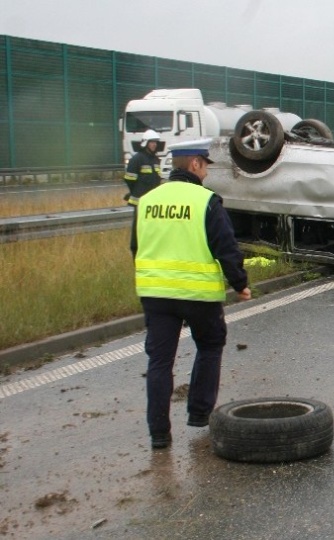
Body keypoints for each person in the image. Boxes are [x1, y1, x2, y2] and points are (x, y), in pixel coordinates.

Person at [131, 138, 251, 449]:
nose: (207, 173)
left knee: (159, 361)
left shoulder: (147, 201)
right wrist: (240, 284)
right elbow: (226, 247)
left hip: (156, 295)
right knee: (210, 347)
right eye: (206, 165)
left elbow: (136, 247)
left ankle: (159, 434)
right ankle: (199, 414)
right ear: (195, 164)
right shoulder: (206, 201)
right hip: (199, 296)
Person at [123, 129, 163, 207]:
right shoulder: (137, 159)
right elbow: (129, 180)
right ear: (145, 143)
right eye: (152, 142)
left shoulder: (155, 159)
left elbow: (157, 179)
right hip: (139, 202)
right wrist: (137, 191)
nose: (154, 144)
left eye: (155, 142)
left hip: (152, 201)